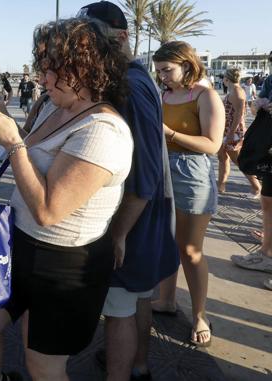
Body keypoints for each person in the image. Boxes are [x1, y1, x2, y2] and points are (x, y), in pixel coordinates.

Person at [0, 18, 133, 381]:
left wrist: (13, 143)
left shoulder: (104, 130)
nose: (42, 78)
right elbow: (38, 153)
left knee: (43, 365)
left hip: (65, 266)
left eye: (49, 67)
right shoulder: (59, 108)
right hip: (20, 246)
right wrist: (11, 124)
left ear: (82, 67)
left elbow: (49, 209)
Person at [77, 3, 180, 380]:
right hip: (144, 216)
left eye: (92, 37)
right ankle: (139, 364)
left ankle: (126, 368)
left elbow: (146, 172)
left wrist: (119, 233)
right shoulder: (137, 78)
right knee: (136, 297)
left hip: (133, 220)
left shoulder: (131, 86)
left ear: (120, 37)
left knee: (119, 305)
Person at [151, 41, 225, 348]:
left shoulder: (205, 96)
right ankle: (167, 300)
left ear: (186, 64)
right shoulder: (165, 95)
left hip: (193, 175)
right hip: (163, 172)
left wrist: (168, 133)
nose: (163, 76)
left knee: (191, 250)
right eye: (159, 72)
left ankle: (199, 314)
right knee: (168, 244)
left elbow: (212, 145)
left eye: (167, 70)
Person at [231, 50, 272, 285]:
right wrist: (260, 105)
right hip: (268, 146)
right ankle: (267, 255)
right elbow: (257, 105)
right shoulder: (269, 80)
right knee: (267, 199)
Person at [217, 68, 261, 197]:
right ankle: (221, 187)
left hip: (233, 131)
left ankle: (257, 187)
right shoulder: (234, 90)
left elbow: (238, 115)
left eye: (223, 77)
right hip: (226, 130)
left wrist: (231, 133)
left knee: (240, 161)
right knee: (222, 157)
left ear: (227, 78)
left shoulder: (237, 92)